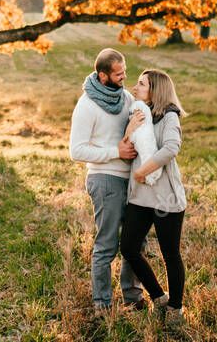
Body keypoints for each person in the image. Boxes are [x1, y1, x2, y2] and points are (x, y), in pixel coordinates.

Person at [68, 48, 148, 314]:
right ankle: (102, 304)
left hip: (132, 179)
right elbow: (76, 150)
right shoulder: (86, 105)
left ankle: (132, 297)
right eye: (118, 73)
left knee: (135, 243)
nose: (125, 76)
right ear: (103, 76)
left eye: (125, 71)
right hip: (105, 179)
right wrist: (116, 152)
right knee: (107, 244)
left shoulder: (125, 97)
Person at [120, 69, 188, 326]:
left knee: (170, 253)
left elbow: (171, 148)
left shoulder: (169, 116)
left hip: (166, 199)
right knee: (128, 247)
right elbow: (128, 146)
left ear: (155, 90)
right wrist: (129, 128)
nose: (135, 87)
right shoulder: (139, 114)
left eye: (141, 84)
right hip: (140, 198)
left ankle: (175, 307)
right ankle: (159, 296)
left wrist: (143, 171)